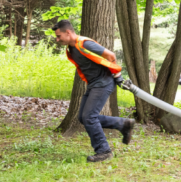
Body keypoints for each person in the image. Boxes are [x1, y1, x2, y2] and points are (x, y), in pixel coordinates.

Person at [52, 20, 135, 163]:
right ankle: (123, 124)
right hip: (94, 84)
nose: (57, 39)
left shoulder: (84, 44)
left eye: (59, 36)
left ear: (68, 32)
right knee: (83, 117)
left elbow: (111, 55)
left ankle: (104, 151)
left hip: (103, 83)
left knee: (89, 117)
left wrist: (117, 76)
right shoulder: (71, 48)